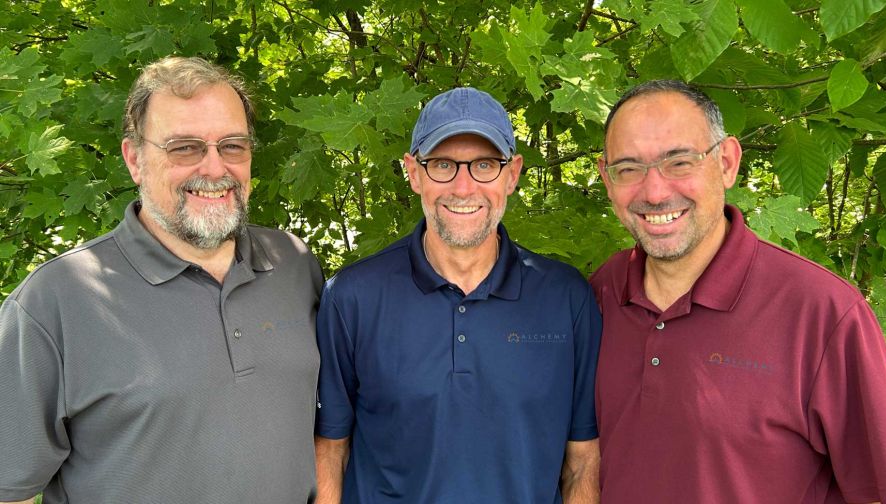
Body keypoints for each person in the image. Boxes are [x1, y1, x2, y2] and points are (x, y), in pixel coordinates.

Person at [0, 56, 322, 504]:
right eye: (184, 148)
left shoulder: (293, 265)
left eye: (233, 146)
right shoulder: (56, 302)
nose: (214, 169)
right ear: (134, 158)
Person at [590, 79, 886, 503]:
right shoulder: (599, 295)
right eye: (629, 169)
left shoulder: (823, 313)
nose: (655, 191)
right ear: (606, 178)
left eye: (679, 162)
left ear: (727, 162)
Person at [314, 87, 602, 503]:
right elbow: (331, 452)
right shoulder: (353, 297)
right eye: (443, 165)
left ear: (513, 173)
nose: (464, 187)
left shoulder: (565, 298)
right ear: (413, 173)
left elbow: (582, 462)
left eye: (485, 164)